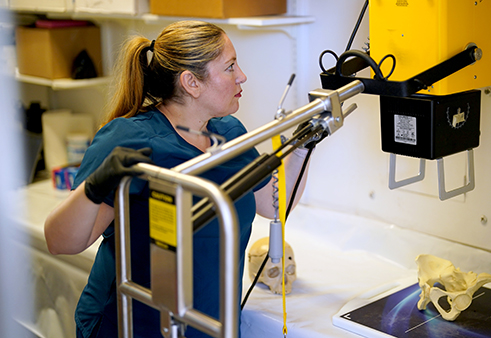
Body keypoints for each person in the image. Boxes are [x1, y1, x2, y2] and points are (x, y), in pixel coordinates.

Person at [44, 21, 313, 338]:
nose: (242, 76)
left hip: (208, 324)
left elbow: (272, 203)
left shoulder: (229, 133)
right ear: (191, 83)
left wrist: (304, 145)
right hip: (132, 325)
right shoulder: (130, 138)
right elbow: (60, 242)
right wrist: (96, 185)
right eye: (229, 67)